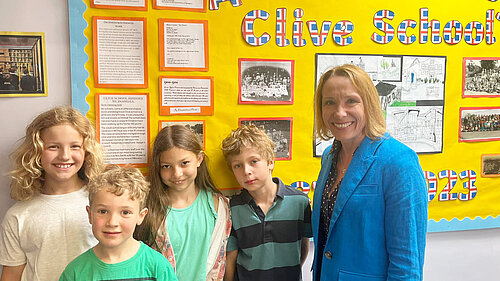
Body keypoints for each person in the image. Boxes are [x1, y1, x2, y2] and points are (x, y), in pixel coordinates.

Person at [312, 64, 428, 281]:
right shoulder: (329, 156)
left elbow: (407, 264)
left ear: (369, 103)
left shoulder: (399, 162)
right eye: (329, 102)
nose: (339, 112)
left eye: (351, 101)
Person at [0, 106, 104, 281]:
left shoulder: (103, 202)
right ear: (36, 151)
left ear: (86, 152)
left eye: (75, 146)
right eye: (53, 147)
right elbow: (11, 275)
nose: (65, 156)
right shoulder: (18, 215)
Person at [134, 125, 231, 281]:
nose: (177, 173)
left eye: (184, 163)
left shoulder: (218, 206)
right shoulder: (148, 209)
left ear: (199, 159)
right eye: (167, 166)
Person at [221, 124, 312, 281]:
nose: (246, 171)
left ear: (270, 162)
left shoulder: (300, 202)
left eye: (254, 161)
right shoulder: (232, 207)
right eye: (238, 165)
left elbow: (304, 246)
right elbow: (231, 255)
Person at [59, 165, 178, 281]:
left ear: (141, 216)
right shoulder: (75, 272)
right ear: (90, 214)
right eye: (103, 211)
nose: (112, 222)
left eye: (125, 212)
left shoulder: (157, 267)